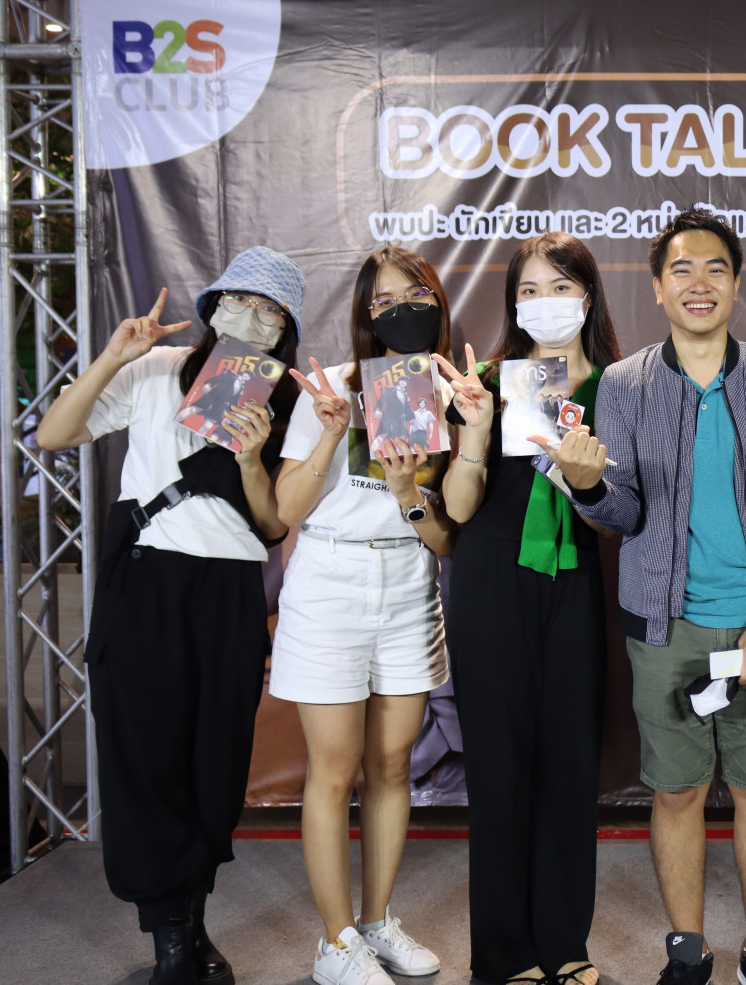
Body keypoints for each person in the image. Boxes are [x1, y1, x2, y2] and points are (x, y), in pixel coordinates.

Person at [545, 210, 746, 985]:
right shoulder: (625, 384)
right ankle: (687, 950)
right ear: (659, 288)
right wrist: (587, 486)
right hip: (664, 628)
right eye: (682, 269)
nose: (700, 283)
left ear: (736, 284)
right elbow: (623, 512)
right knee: (677, 791)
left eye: (715, 268)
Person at [37, 249, 305, 985]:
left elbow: (273, 525)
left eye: (271, 308)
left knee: (214, 762)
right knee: (147, 756)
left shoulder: (287, 397)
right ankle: (172, 940)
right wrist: (113, 355)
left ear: (286, 327)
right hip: (148, 578)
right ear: (215, 302)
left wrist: (250, 458)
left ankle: (189, 918)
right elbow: (54, 435)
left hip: (230, 589)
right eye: (241, 298)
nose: (253, 315)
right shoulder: (156, 369)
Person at [436, 232, 622, 985]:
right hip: (490, 578)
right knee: (500, 767)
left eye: (561, 286)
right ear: (513, 304)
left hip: (573, 579)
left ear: (588, 296)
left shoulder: (618, 387)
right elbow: (456, 510)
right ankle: (503, 953)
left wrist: (586, 480)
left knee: (569, 765)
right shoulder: (486, 380)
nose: (546, 303)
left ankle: (565, 942)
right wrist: (476, 433)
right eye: (530, 290)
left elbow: (619, 518)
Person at [271, 246, 454, 985]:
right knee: (334, 767)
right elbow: (286, 508)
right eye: (381, 300)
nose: (397, 309)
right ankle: (335, 940)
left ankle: (376, 921)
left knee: (391, 764)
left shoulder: (454, 392)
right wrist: (329, 430)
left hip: (409, 582)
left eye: (412, 294)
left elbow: (447, 537)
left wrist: (408, 491)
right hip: (330, 579)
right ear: (364, 314)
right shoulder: (333, 388)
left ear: (435, 300)